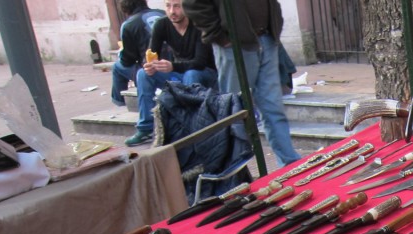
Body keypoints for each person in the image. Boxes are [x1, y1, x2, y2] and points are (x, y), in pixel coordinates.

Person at [181, 0, 300, 166]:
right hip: (233, 44)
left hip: (266, 37)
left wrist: (275, 25)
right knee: (234, 110)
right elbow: (193, 5)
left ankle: (289, 162)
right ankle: (236, 167)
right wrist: (220, 37)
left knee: (273, 107)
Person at [125, 0, 218, 146]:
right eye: (168, 6)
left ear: (186, 7)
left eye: (177, 6)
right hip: (179, 71)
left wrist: (172, 66)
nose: (172, 11)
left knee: (191, 74)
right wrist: (149, 65)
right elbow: (151, 52)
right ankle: (145, 128)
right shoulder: (162, 24)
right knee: (143, 74)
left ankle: (191, 126)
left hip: (205, 73)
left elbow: (200, 62)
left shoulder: (198, 24)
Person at [111, 0, 165, 107]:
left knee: (117, 67)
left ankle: (119, 104)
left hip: (152, 70)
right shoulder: (163, 13)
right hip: (173, 65)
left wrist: (122, 51)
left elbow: (127, 61)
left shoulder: (128, 25)